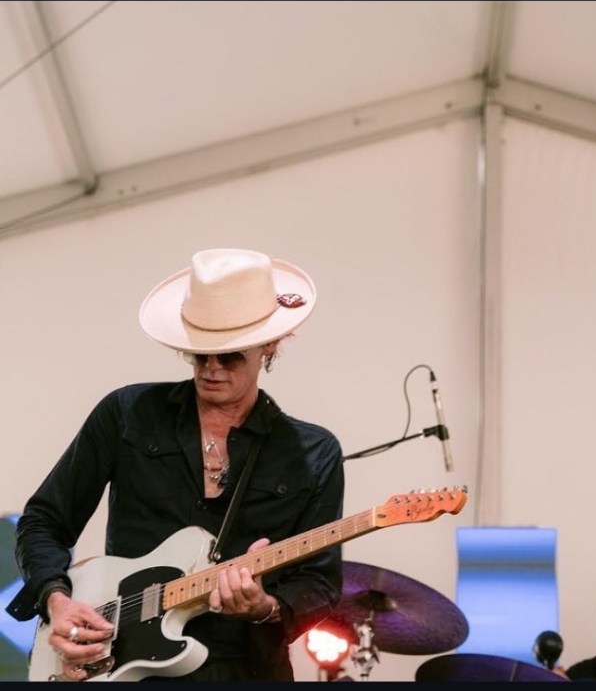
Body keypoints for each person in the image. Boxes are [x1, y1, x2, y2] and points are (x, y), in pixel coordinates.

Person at [5, 248, 345, 681]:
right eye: (199, 353)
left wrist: (265, 607)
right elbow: (44, 520)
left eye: (230, 355)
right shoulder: (127, 413)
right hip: (120, 662)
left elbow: (320, 584)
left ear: (270, 345)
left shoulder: (313, 452)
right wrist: (56, 600)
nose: (211, 368)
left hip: (244, 669)